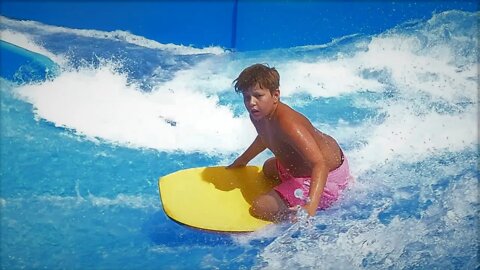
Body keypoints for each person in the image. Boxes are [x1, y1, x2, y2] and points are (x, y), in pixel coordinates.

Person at [227, 63, 352, 222]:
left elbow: (320, 163)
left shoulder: (288, 124)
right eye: (247, 97)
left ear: (275, 95)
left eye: (258, 96)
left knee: (260, 207)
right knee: (268, 168)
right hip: (300, 168)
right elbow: (265, 137)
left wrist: (310, 207)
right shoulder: (258, 114)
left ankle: (301, 210)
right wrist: (242, 161)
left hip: (327, 176)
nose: (251, 102)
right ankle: (292, 189)